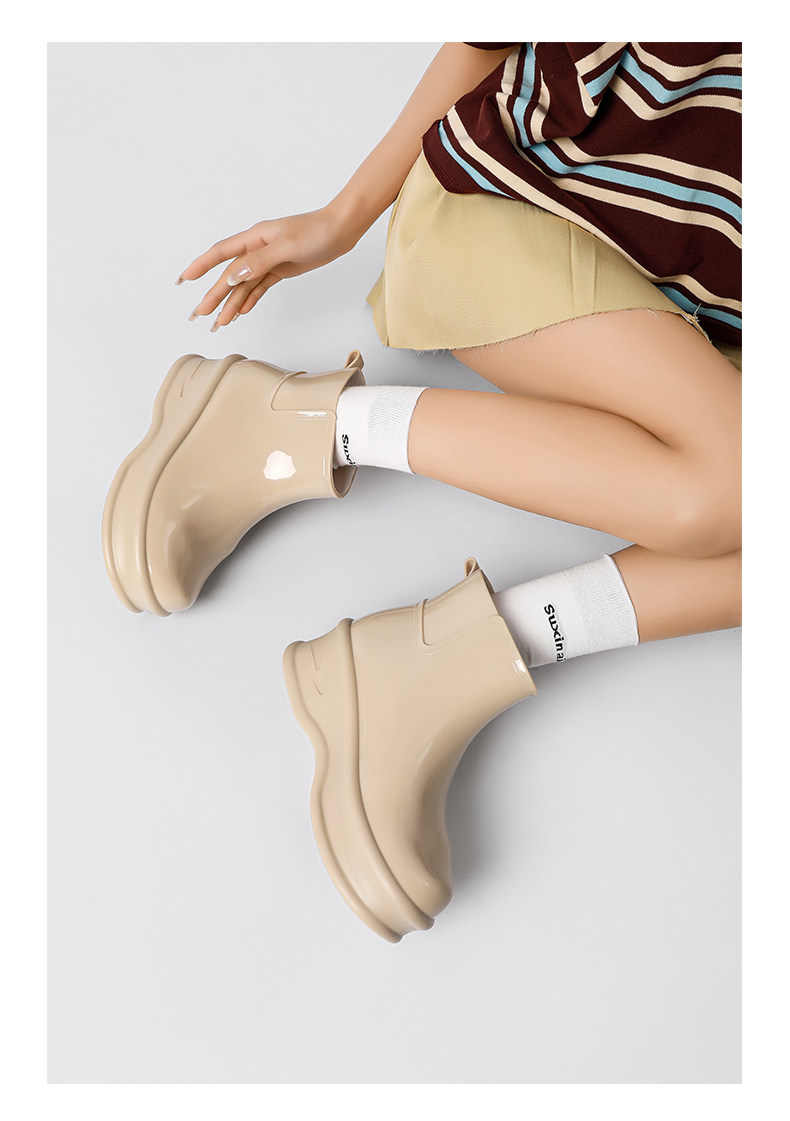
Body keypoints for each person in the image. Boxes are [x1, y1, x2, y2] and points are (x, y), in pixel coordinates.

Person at [103, 43, 741, 941]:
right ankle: (309, 422)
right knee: (738, 485)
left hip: (698, 324)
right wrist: (343, 217)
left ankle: (431, 664)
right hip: (521, 205)